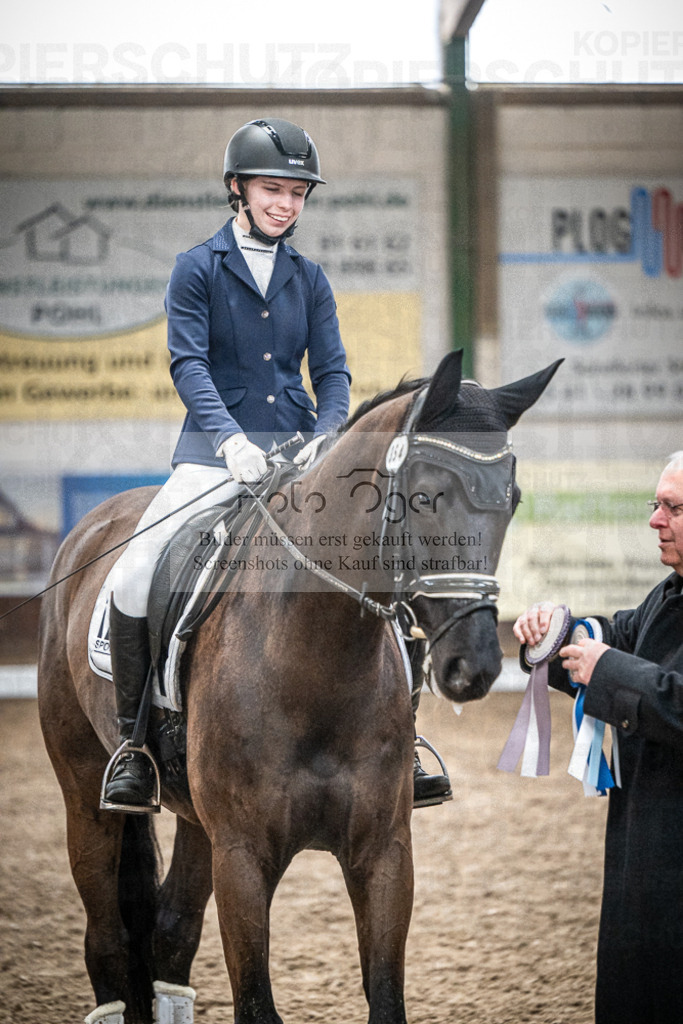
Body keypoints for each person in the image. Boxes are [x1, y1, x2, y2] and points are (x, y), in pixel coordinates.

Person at [101, 116, 451, 813]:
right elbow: (188, 363)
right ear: (238, 189)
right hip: (212, 455)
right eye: (272, 189)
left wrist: (324, 441)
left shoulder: (308, 278)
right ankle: (135, 745)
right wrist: (231, 440)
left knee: (384, 561)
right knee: (138, 573)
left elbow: (334, 374)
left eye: (297, 192)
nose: (286, 204)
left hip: (300, 457)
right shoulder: (197, 267)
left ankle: (402, 738)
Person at [513, 450, 683, 1024]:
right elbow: (617, 633)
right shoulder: (670, 593)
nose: (655, 521)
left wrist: (606, 666)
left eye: (673, 508)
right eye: (655, 505)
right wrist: (554, 634)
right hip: (647, 847)